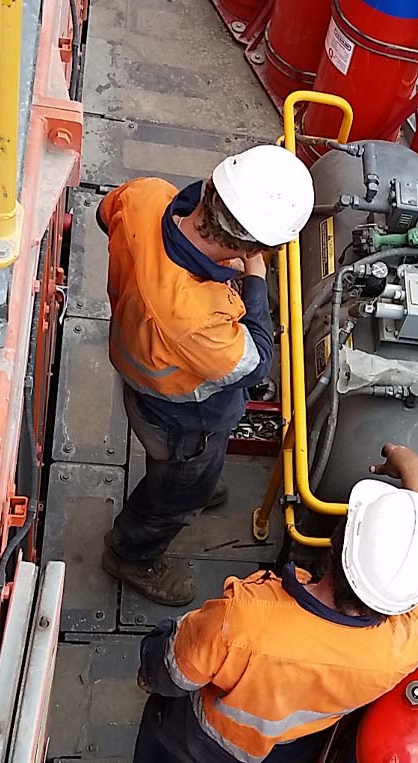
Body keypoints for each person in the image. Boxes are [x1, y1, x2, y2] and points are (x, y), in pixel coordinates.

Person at [128, 444, 418, 763]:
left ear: (336, 541)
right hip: (288, 753)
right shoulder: (414, 635)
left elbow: (171, 671)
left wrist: (149, 666)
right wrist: (417, 470)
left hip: (201, 739)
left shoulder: (246, 621)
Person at [98, 145, 314, 607]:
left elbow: (105, 214)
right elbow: (254, 363)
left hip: (140, 367)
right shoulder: (195, 317)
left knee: (193, 471)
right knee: (172, 496)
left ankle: (194, 481)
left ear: (213, 186)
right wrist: (254, 277)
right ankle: (131, 554)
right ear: (254, 246)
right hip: (180, 418)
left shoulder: (148, 196)